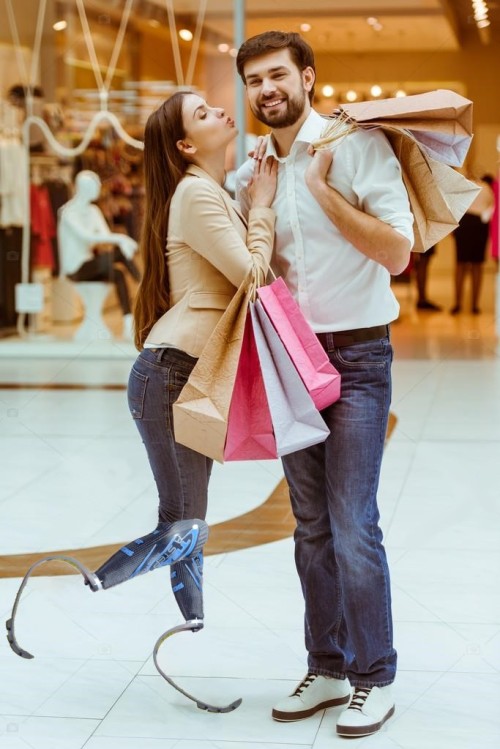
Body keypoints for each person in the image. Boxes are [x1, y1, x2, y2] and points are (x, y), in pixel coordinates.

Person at [236, 31, 414, 738]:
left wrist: (317, 187)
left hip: (360, 357)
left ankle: (375, 675)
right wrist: (263, 198)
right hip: (290, 357)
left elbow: (397, 251)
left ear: (308, 77)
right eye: (253, 80)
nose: (265, 89)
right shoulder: (254, 170)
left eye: (277, 74)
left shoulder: (355, 146)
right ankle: (328, 664)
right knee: (309, 526)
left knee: (351, 523)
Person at [130, 92, 277, 625]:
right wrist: (262, 209)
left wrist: (252, 202)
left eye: (213, 105)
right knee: (185, 517)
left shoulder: (209, 191)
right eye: (203, 113)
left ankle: (187, 621)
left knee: (185, 515)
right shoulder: (196, 195)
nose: (220, 111)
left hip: (187, 373)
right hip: (172, 374)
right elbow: (254, 278)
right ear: (187, 144)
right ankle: (103, 579)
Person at [58, 170, 141, 339]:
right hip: (75, 268)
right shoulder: (68, 212)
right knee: (119, 253)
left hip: (89, 264)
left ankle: (127, 319)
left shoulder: (93, 210)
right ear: (85, 188)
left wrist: (119, 240)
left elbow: (105, 235)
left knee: (118, 273)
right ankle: (143, 283)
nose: (98, 189)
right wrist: (122, 239)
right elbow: (86, 236)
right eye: (95, 186)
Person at [451, 174, 495, 315]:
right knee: (477, 265)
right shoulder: (487, 188)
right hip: (479, 225)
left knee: (460, 265)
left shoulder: (464, 185)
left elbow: (454, 206)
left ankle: (457, 304)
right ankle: (475, 305)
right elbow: (491, 208)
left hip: (463, 223)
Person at [413, 245, 441, 311]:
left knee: (422, 263)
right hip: (423, 237)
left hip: (422, 238)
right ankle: (422, 299)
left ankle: (422, 298)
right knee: (422, 263)